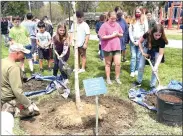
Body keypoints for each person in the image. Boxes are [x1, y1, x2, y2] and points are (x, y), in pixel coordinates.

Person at [1, 44, 40, 118]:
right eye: (23, 53)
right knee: (33, 111)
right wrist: (29, 104)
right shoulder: (13, 68)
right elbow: (17, 91)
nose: (24, 56)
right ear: (17, 53)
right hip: (8, 99)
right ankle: (10, 109)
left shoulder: (2, 61)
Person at [133, 24, 168, 89]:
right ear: (152, 33)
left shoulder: (162, 40)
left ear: (162, 34)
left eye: (159, 35)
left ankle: (152, 85)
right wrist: (143, 52)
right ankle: (138, 81)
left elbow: (160, 54)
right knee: (140, 67)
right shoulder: (148, 34)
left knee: (155, 70)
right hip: (147, 49)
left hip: (157, 52)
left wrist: (156, 66)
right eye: (156, 35)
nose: (157, 37)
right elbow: (140, 42)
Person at [98, 11, 123, 85]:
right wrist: (113, 35)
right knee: (108, 64)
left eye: (115, 18)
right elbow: (102, 37)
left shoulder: (117, 25)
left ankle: (117, 78)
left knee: (118, 63)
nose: (114, 20)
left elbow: (121, 34)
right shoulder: (104, 25)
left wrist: (118, 34)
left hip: (117, 46)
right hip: (107, 47)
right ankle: (108, 78)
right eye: (112, 18)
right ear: (108, 17)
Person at [129, 7, 148, 77]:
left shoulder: (144, 20)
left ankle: (137, 70)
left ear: (141, 13)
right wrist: (133, 41)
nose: (137, 13)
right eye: (136, 12)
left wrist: (141, 41)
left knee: (138, 56)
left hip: (141, 41)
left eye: (139, 12)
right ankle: (132, 71)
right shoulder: (132, 20)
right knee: (133, 56)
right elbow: (130, 32)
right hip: (133, 41)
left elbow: (146, 32)